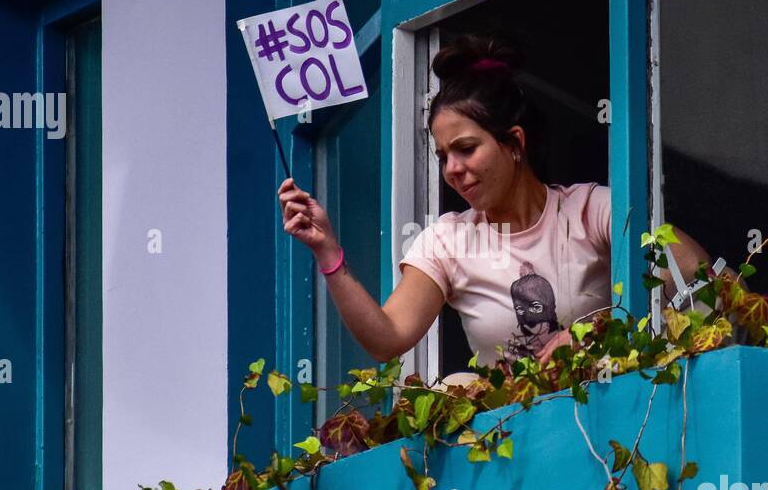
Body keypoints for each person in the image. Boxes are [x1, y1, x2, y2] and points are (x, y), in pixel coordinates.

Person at [277, 33, 727, 385]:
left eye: (466, 149)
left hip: (614, 424)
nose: (452, 169)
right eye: (442, 156)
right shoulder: (448, 241)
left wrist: (593, 332)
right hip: (513, 448)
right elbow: (386, 339)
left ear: (515, 143)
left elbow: (705, 280)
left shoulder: (590, 210)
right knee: (453, 386)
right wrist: (328, 253)